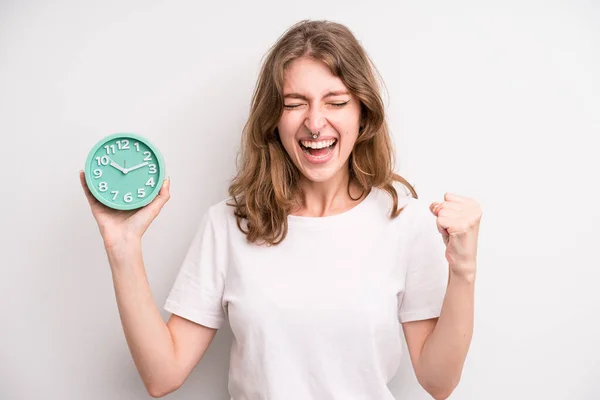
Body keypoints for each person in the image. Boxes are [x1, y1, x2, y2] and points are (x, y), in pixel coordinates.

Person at [80, 19, 482, 400]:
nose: (315, 122)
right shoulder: (228, 224)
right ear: (274, 120)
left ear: (362, 114)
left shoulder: (403, 221)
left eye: (336, 102)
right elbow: (162, 376)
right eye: (295, 104)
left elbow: (438, 382)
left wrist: (463, 270)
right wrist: (123, 247)